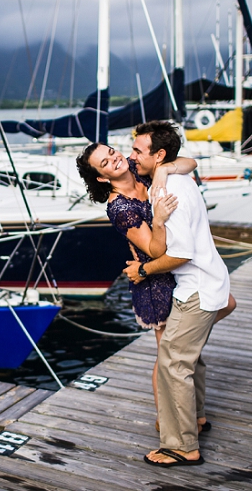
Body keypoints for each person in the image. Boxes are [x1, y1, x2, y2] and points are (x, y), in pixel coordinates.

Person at [123, 120, 235, 468]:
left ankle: (182, 446)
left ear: (158, 154)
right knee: (190, 358)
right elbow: (187, 161)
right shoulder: (176, 176)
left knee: (173, 363)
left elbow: (179, 253)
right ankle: (197, 419)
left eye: (138, 151)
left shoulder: (164, 194)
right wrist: (166, 167)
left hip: (196, 289)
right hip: (208, 282)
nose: (131, 156)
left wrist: (142, 270)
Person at [76, 142, 198, 429]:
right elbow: (155, 251)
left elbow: (190, 163)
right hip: (154, 282)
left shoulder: (137, 167)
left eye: (112, 153)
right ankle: (165, 421)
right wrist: (159, 218)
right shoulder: (120, 208)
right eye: (105, 163)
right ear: (102, 178)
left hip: (178, 270)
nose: (114, 159)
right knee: (167, 356)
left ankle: (191, 412)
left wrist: (163, 171)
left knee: (185, 344)